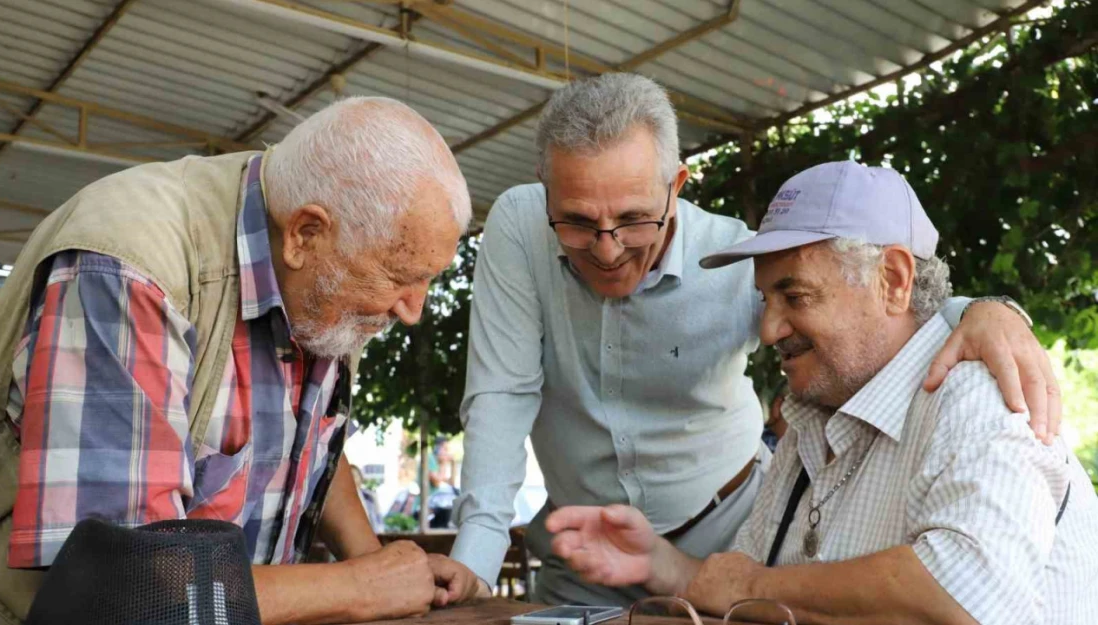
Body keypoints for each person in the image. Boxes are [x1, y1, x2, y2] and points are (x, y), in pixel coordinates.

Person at [450, 73, 1062, 606]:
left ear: (677, 186)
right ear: (545, 190)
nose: (607, 249)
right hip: (591, 548)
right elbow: (502, 393)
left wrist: (986, 310)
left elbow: (877, 304)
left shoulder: (744, 260)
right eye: (578, 223)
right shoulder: (519, 226)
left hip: (728, 531)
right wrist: (475, 563)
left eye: (633, 219)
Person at [0, 97, 485, 625]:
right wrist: (358, 587)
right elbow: (121, 588)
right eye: (399, 275)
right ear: (305, 234)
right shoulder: (130, 266)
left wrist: (384, 567)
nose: (412, 311)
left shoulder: (323, 286)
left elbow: (305, 441)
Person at [546, 161, 1098, 624]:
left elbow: (962, 597)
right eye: (765, 299)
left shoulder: (976, 394)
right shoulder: (811, 422)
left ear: (894, 281)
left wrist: (750, 584)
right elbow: (754, 591)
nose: (768, 329)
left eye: (795, 295)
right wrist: (662, 565)